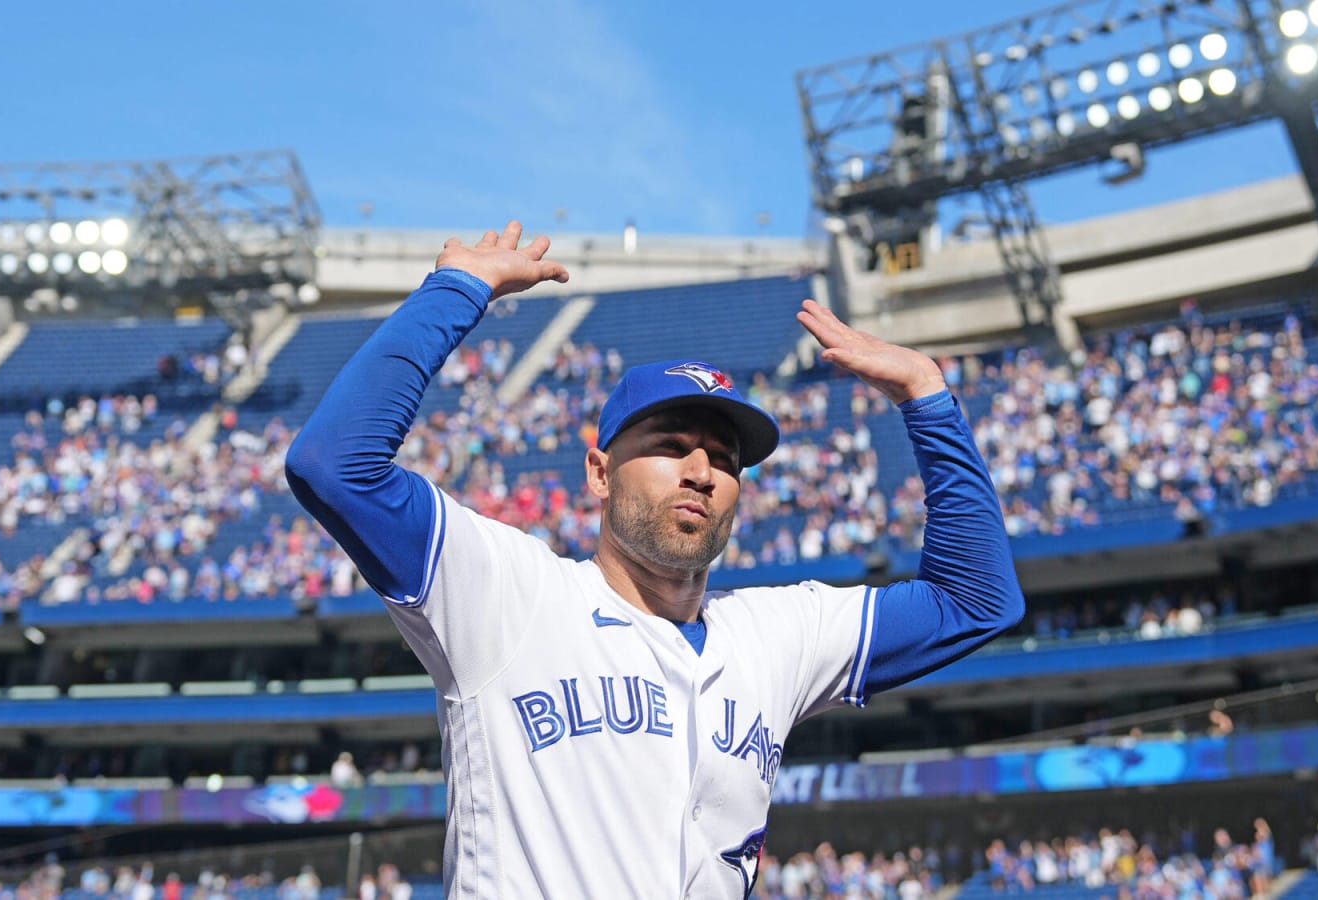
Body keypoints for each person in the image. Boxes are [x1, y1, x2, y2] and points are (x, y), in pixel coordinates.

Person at [285, 222, 1024, 898]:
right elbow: (333, 465)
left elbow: (976, 601)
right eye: (671, 446)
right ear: (600, 474)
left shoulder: (779, 635)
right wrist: (456, 289)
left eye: (726, 459)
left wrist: (927, 397)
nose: (702, 470)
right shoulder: (510, 594)